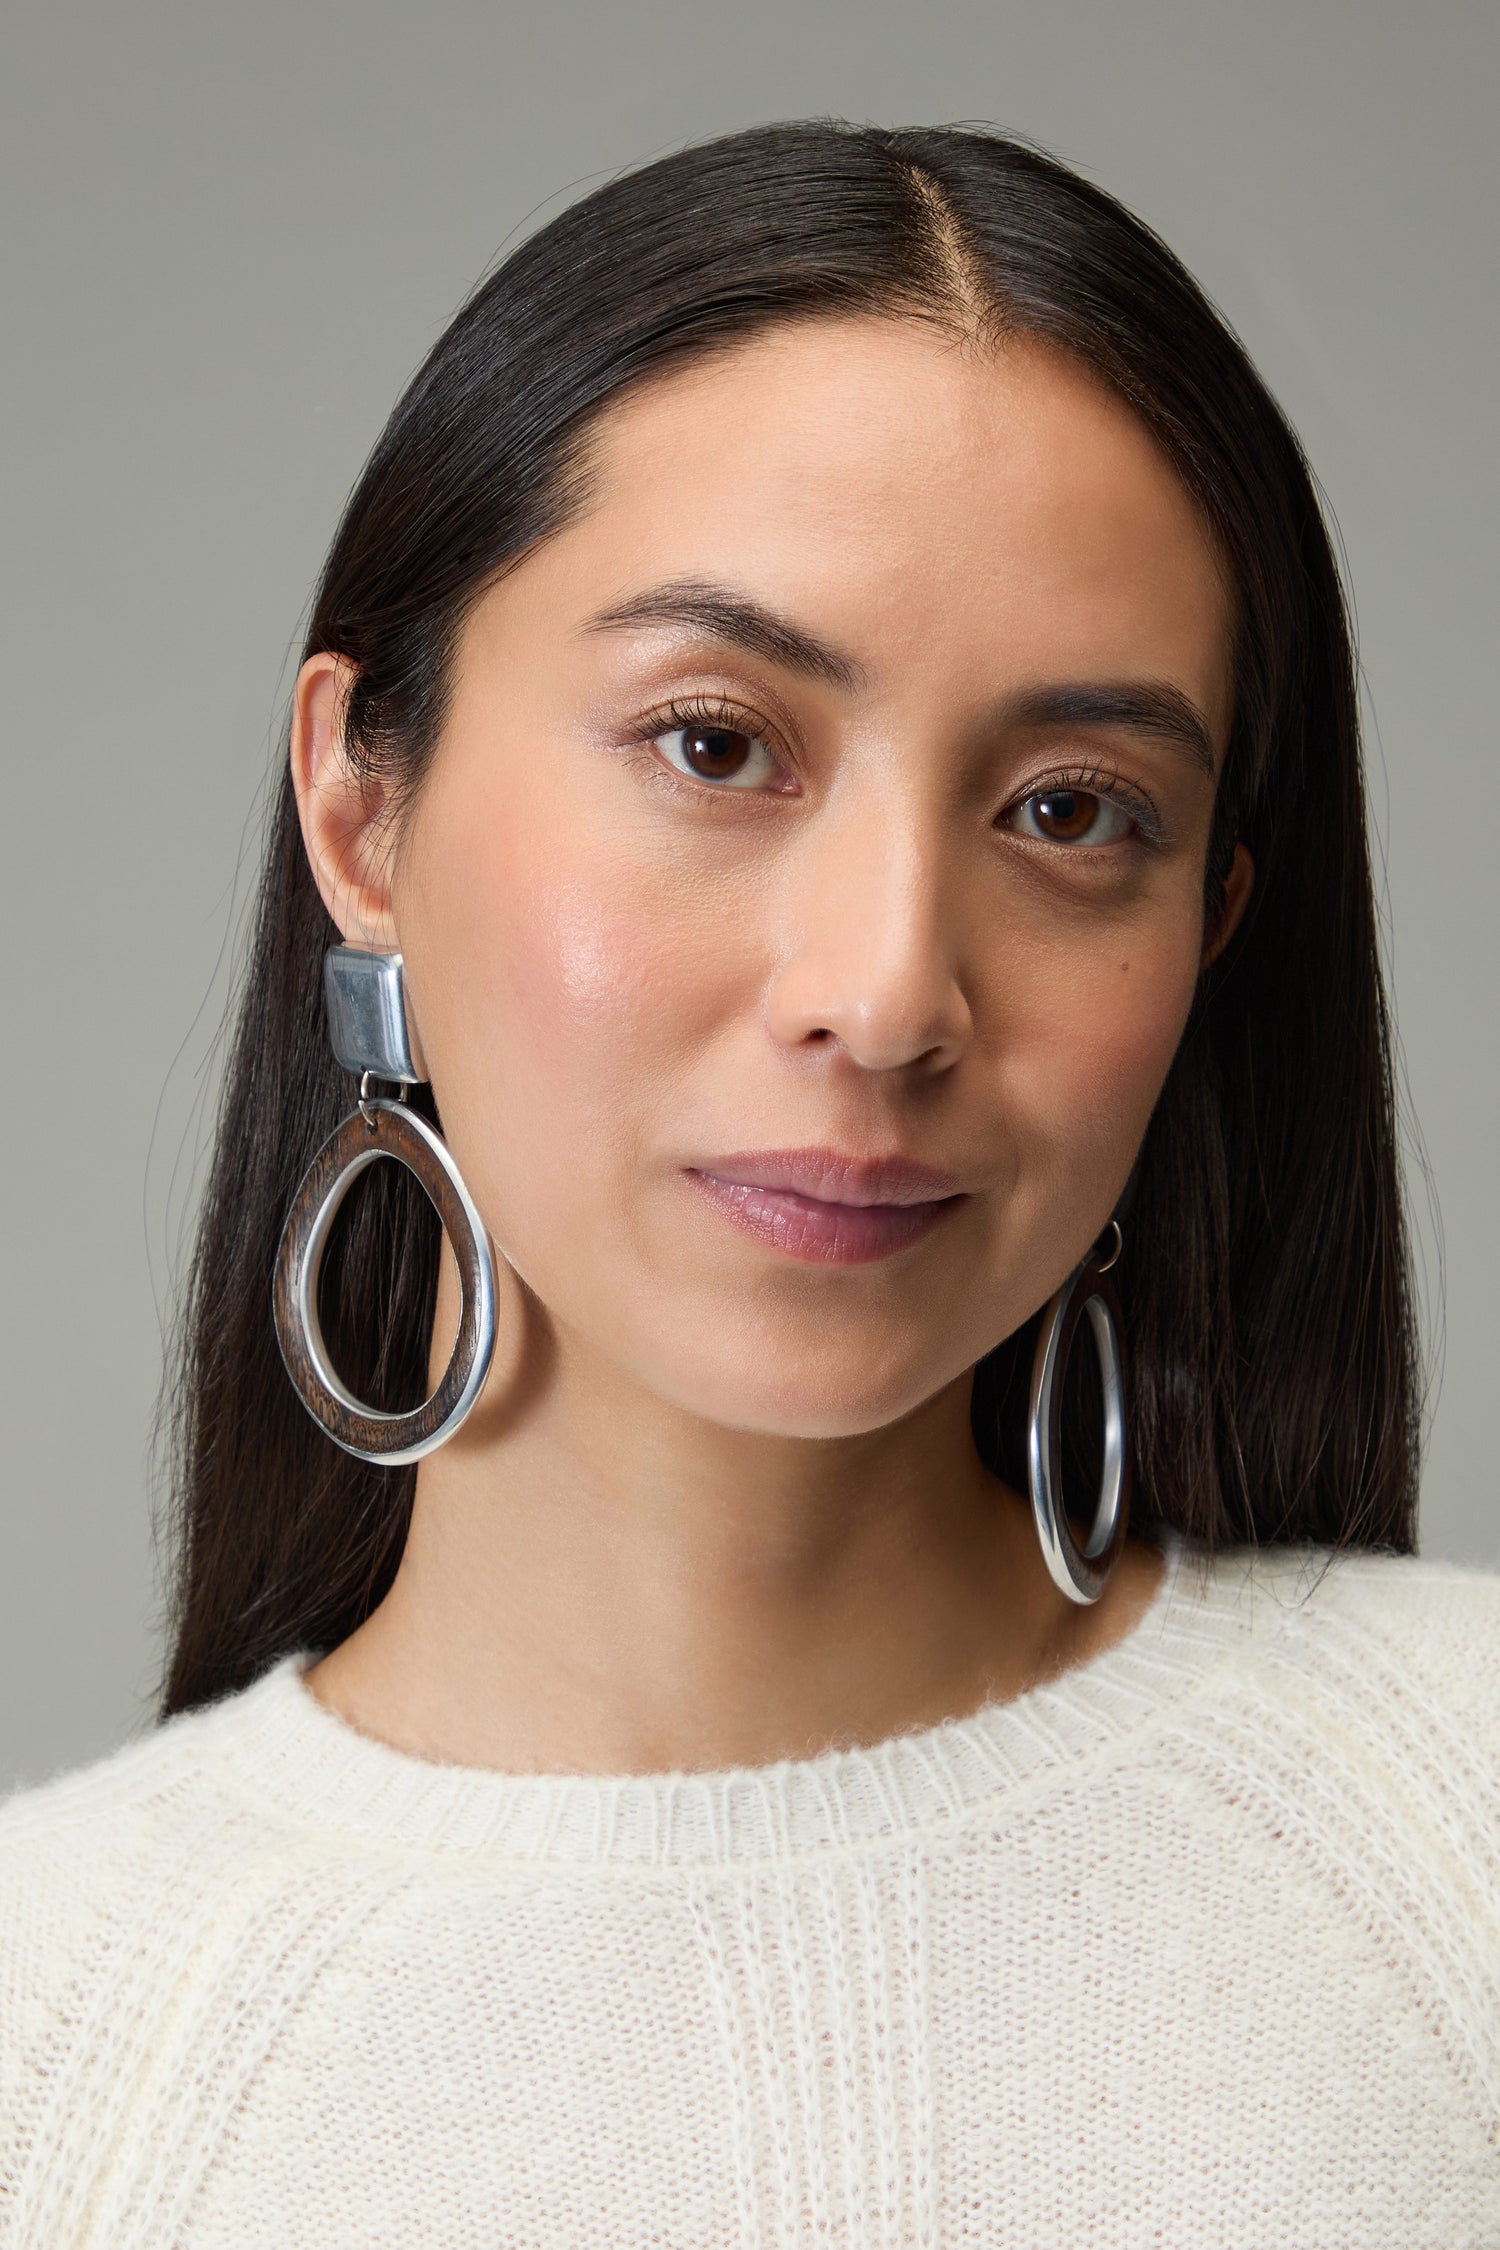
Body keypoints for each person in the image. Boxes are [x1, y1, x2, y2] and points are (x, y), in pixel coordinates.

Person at [1, 119, 1496, 2245]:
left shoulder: (1462, 1845)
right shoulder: (62, 2059)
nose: (886, 995)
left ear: (1214, 931)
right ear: (361, 809)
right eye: (715, 745)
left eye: (1075, 811)